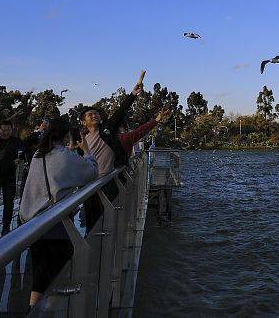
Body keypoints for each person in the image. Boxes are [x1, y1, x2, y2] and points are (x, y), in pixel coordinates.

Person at [19, 117, 97, 308]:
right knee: (56, 271)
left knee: (40, 271)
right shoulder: (66, 156)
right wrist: (86, 150)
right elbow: (92, 172)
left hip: (32, 222)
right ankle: (49, 310)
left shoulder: (39, 154)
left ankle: (33, 307)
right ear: (67, 135)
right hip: (55, 224)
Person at [81, 83, 169, 230]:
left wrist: (133, 94)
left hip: (107, 182)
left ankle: (108, 248)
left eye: (95, 113)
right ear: (83, 122)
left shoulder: (107, 131)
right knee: (92, 223)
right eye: (90, 114)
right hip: (89, 187)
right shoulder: (82, 140)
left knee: (108, 220)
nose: (94, 115)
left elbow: (121, 111)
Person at [0, 119, 21, 239]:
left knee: (8, 203)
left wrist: (18, 159)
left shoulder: (16, 142)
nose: (5, 132)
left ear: (12, 130)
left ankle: (5, 227)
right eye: (3, 130)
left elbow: (24, 151)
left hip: (9, 177)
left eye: (8, 130)